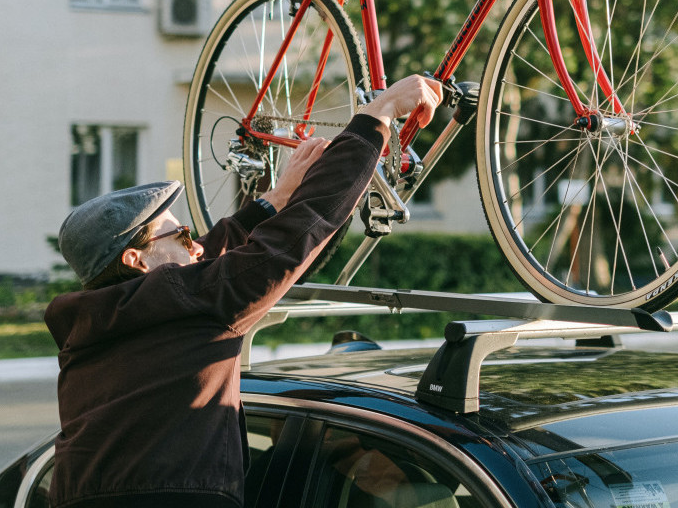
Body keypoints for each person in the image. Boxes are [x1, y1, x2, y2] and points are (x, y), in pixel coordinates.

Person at [44, 75, 443, 508]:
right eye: (180, 235)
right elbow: (295, 234)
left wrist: (277, 195)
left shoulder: (100, 323)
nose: (195, 242)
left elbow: (208, 263)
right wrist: (375, 117)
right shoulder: (186, 300)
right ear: (135, 261)